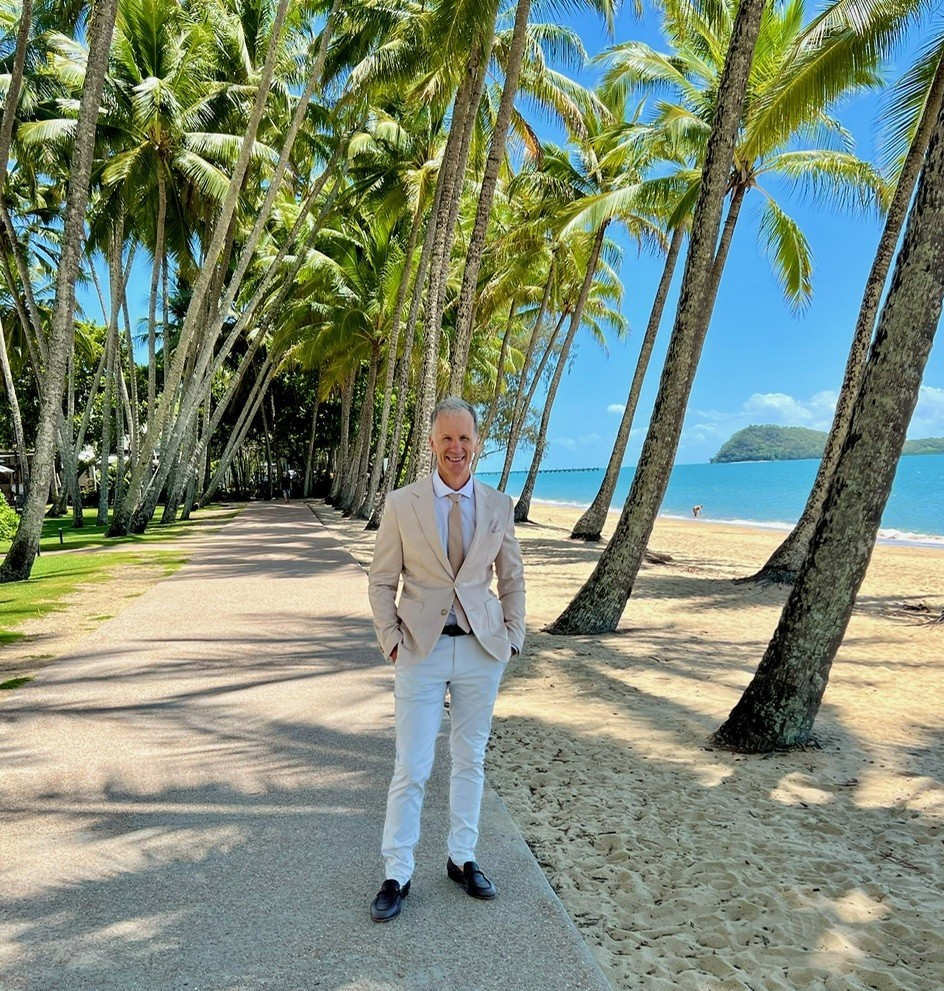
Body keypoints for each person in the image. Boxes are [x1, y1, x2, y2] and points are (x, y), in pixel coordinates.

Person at [367, 397, 526, 923]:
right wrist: (391, 638)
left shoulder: (498, 505)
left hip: (482, 650)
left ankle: (462, 859)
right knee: (411, 765)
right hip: (420, 649)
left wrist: (512, 637)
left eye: (465, 439)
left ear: (476, 444)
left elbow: (512, 578)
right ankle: (397, 871)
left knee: (470, 760)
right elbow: (382, 579)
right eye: (447, 439)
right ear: (431, 443)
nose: (456, 448)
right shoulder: (402, 504)